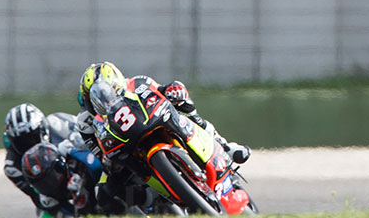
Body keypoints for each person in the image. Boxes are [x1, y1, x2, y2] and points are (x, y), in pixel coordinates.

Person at [76, 61, 250, 164]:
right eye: (96, 97)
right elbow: (97, 153)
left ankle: (224, 146)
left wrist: (174, 89)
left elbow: (162, 89)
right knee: (104, 191)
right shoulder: (85, 122)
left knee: (186, 109)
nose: (105, 99)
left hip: (153, 121)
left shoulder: (138, 82)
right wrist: (105, 160)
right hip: (124, 152)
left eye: (109, 90)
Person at [2, 103, 90, 215]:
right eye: (21, 142)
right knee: (46, 208)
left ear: (43, 129)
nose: (30, 145)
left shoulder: (58, 122)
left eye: (33, 137)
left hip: (81, 174)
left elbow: (85, 133)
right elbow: (38, 198)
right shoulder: (12, 167)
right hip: (57, 195)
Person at [20, 140, 102, 218]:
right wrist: (80, 202)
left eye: (51, 178)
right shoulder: (46, 200)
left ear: (59, 165)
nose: (49, 185)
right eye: (42, 184)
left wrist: (84, 179)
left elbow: (95, 165)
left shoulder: (67, 150)